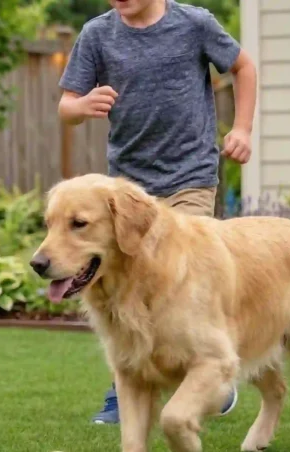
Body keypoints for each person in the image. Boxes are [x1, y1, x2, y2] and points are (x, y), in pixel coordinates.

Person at [57, 0, 258, 424]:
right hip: (128, 191)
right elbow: (66, 107)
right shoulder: (97, 34)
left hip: (190, 178)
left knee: (186, 283)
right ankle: (124, 388)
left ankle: (205, 367)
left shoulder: (195, 23)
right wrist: (84, 104)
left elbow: (242, 67)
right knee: (125, 291)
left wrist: (241, 128)